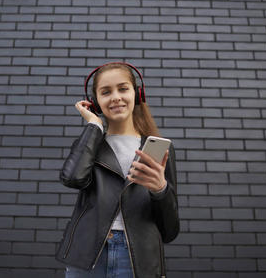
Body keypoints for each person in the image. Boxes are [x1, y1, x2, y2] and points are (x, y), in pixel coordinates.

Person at [56, 62, 180, 278]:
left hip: (138, 258)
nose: (115, 97)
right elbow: (74, 179)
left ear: (138, 93)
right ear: (95, 102)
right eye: (106, 92)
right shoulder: (89, 143)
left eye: (123, 89)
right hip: (88, 257)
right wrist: (94, 125)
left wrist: (161, 189)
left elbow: (170, 230)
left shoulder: (162, 149)